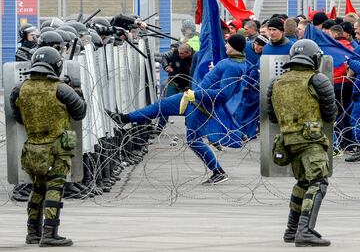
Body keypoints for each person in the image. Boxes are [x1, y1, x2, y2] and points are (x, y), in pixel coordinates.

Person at [106, 34, 249, 185]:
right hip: (191, 98)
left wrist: (197, 93)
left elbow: (223, 94)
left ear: (234, 47)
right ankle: (124, 119)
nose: (225, 45)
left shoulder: (232, 66)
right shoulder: (232, 62)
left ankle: (218, 172)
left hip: (200, 105)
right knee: (160, 106)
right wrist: (214, 71)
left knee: (194, 140)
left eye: (228, 44)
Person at [10, 47, 87, 246]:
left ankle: (32, 232)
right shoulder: (60, 89)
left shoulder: (21, 88)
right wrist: (76, 88)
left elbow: (17, 115)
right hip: (57, 150)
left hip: (32, 148)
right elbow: (80, 112)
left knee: (37, 189)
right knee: (55, 188)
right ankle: (50, 233)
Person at [267, 39, 337, 247]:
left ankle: (291, 230)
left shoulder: (276, 82)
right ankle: (305, 231)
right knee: (318, 182)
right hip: (311, 141)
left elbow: (272, 117)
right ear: (314, 59)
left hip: (288, 141)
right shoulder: (318, 80)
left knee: (303, 183)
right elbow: (329, 114)